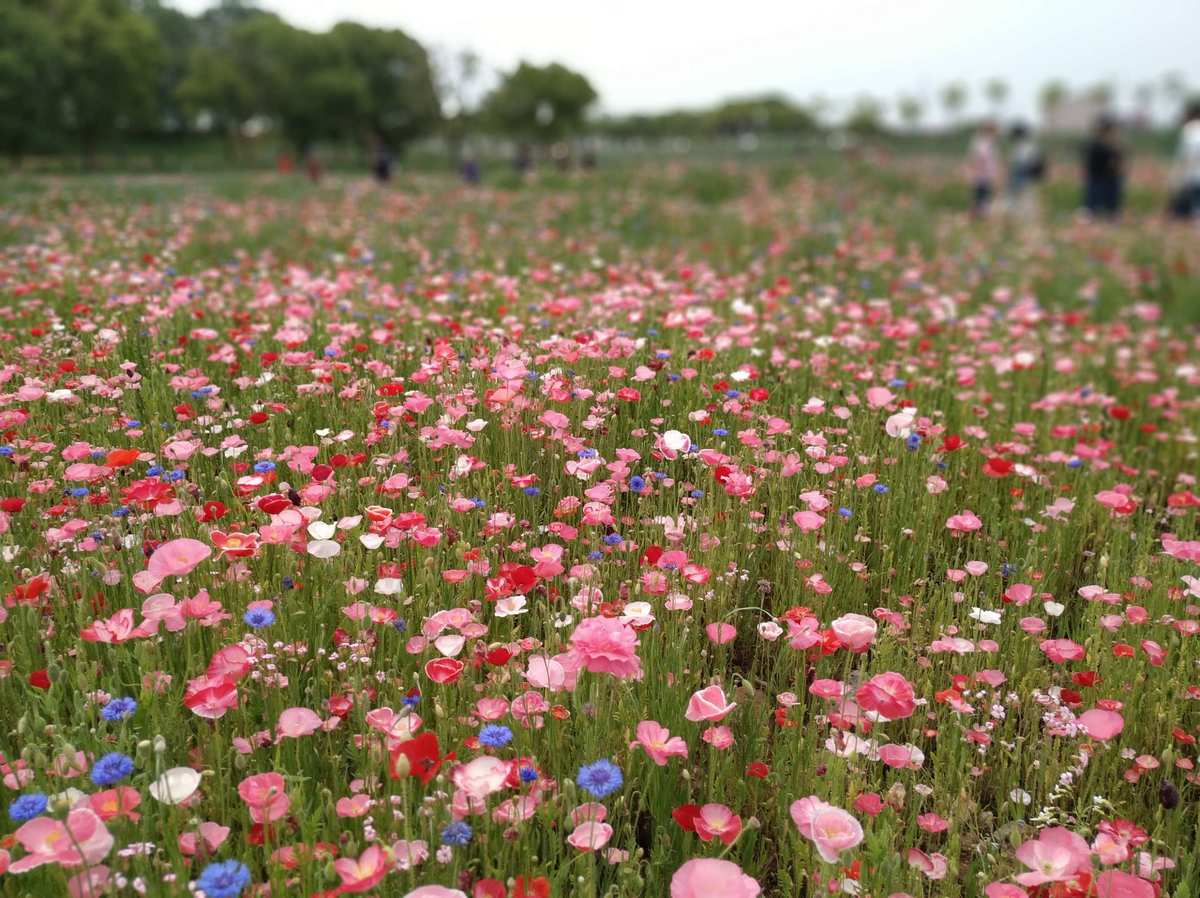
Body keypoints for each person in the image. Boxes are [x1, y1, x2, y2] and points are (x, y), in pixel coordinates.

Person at [1081, 114, 1124, 219]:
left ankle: (1108, 216)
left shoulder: (1113, 146)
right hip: (1097, 179)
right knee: (1092, 207)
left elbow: (1117, 164)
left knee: (1110, 209)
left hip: (1109, 179)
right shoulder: (1096, 146)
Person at [1167, 100, 1200, 221]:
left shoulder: (1190, 130)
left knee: (1193, 211)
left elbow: (1187, 156)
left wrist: (1178, 178)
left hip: (1193, 177)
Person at [1006, 122, 1045, 219]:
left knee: (1022, 198)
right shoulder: (1032, 146)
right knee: (1027, 198)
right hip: (1029, 176)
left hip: (1023, 176)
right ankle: (1025, 217)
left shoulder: (1022, 147)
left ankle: (1022, 217)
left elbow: (1017, 164)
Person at [966, 121, 1001, 217]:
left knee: (981, 198)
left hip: (984, 175)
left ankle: (978, 216)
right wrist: (980, 172)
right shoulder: (983, 144)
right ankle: (977, 216)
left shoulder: (985, 143)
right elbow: (979, 159)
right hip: (982, 176)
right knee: (981, 198)